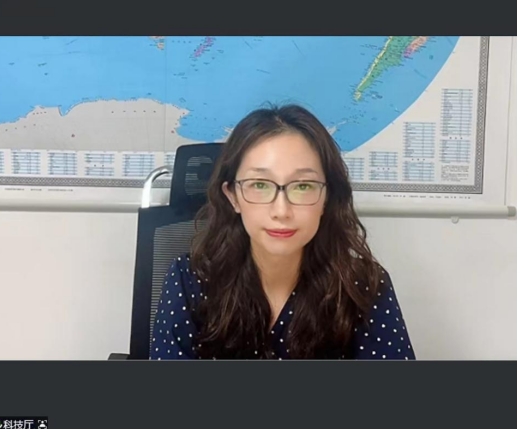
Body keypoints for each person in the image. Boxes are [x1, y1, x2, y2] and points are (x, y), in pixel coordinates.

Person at [150, 104, 415, 360]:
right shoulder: (190, 282)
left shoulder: (364, 287)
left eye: (302, 186)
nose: (281, 211)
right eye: (259, 185)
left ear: (327, 197)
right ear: (232, 196)